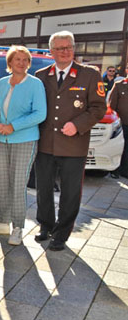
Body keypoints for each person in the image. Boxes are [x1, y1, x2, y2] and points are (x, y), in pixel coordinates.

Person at [35, 31, 106, 251]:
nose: (64, 52)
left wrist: (78, 125)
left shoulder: (89, 75)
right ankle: (46, 225)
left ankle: (61, 233)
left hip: (74, 144)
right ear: (51, 51)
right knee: (43, 188)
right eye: (59, 48)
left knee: (70, 192)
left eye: (68, 47)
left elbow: (98, 108)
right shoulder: (41, 75)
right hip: (46, 143)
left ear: (73, 49)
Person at [0, 46, 46, 245]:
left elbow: (40, 113)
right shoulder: (1, 83)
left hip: (24, 139)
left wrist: (13, 126)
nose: (21, 63)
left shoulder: (35, 84)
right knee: (3, 183)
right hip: (0, 140)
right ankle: (2, 222)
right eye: (17, 59)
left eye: (25, 59)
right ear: (9, 63)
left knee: (18, 185)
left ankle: (18, 227)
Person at [109, 65, 128, 178]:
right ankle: (116, 170)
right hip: (122, 123)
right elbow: (112, 106)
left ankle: (125, 171)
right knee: (120, 147)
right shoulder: (119, 85)